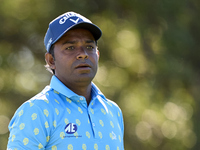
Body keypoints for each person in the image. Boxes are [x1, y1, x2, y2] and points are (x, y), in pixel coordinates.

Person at [7, 11, 124, 150]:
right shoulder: (35, 111)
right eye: (70, 47)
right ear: (51, 60)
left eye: (89, 47)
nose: (83, 54)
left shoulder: (112, 111)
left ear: (97, 55)